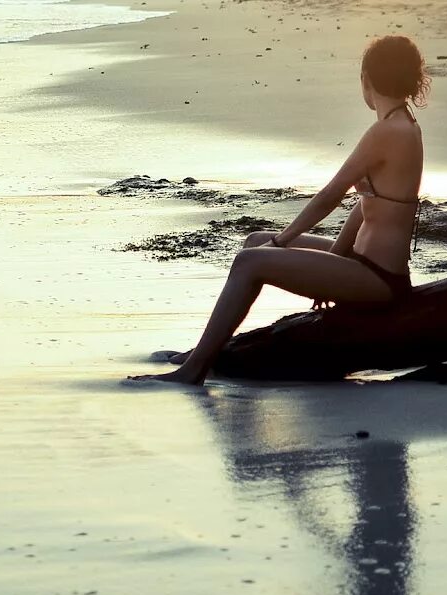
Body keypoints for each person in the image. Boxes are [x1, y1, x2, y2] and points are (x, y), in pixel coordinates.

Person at [131, 35, 428, 385]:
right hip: (362, 265)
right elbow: (365, 210)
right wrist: (330, 262)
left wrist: (284, 240)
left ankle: (193, 370)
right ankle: (207, 352)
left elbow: (329, 196)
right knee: (255, 240)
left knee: (252, 260)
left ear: (367, 79)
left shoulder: (387, 131)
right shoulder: (402, 125)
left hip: (379, 281)